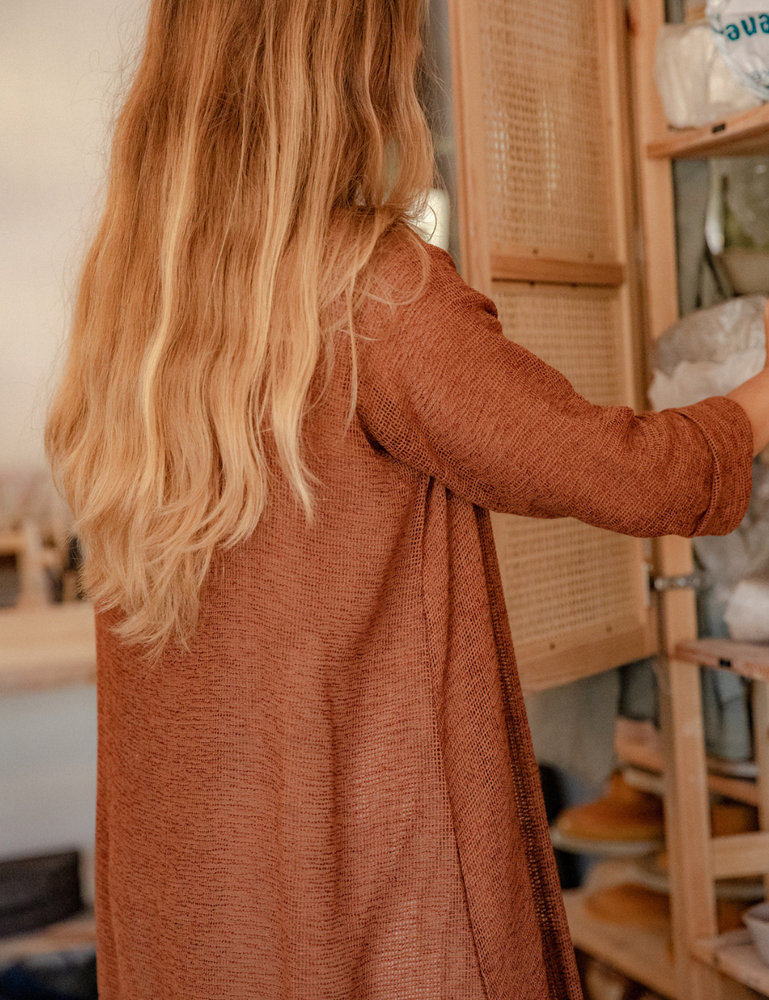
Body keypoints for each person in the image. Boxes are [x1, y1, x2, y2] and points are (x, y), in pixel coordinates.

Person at [44, 1, 769, 998]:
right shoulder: (370, 294)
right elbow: (630, 471)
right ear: (340, 71)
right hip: (372, 914)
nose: (414, 65)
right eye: (398, 42)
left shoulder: (132, 310)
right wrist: (752, 403)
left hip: (202, 928)